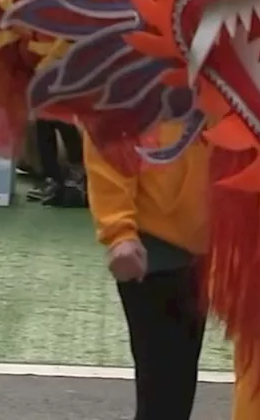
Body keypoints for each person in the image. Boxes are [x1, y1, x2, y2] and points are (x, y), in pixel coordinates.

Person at [84, 124, 207, 419]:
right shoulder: (130, 82)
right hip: (159, 244)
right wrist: (120, 231)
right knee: (167, 392)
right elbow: (108, 136)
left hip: (238, 244)